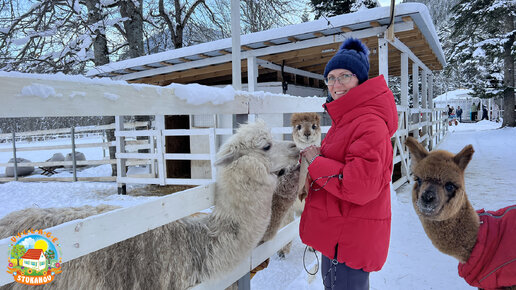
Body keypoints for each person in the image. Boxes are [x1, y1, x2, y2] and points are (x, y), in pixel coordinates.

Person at [299, 38, 398, 290]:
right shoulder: (348, 119)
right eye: (330, 78)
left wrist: (316, 162)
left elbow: (358, 185)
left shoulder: (368, 123)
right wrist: (322, 155)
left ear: (360, 79)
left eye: (344, 76)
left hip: (349, 239)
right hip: (342, 234)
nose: (336, 84)